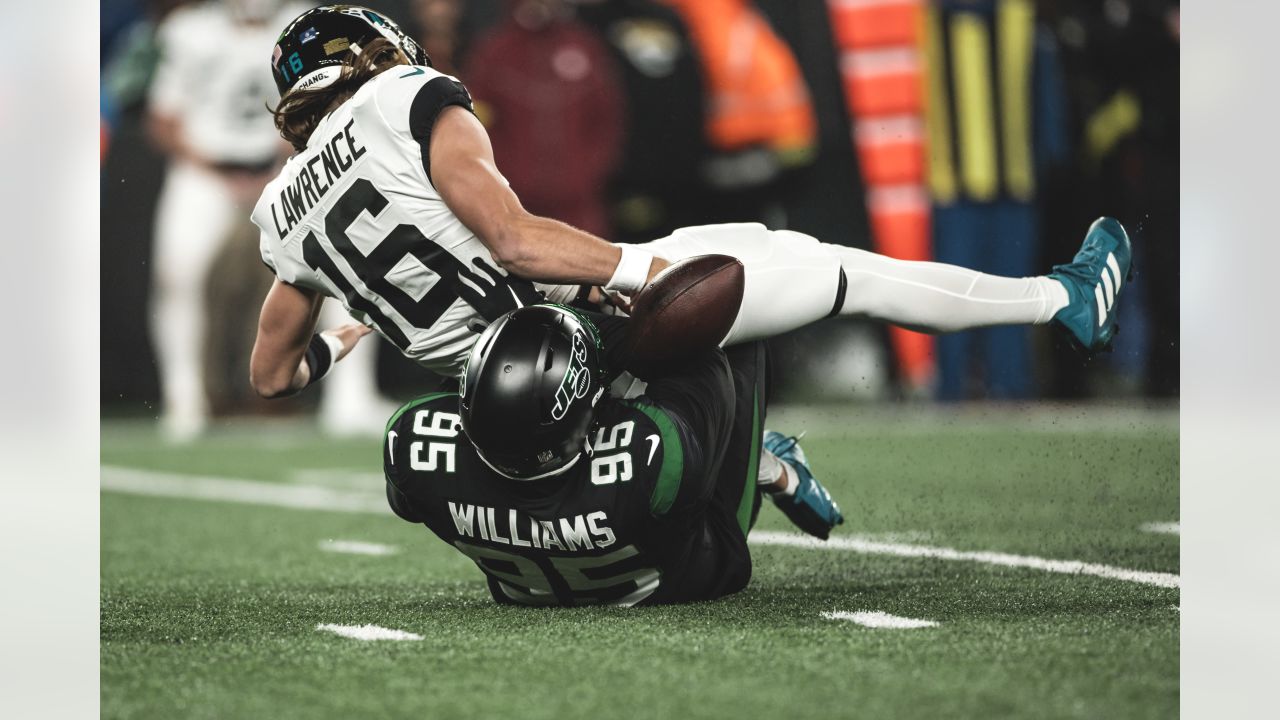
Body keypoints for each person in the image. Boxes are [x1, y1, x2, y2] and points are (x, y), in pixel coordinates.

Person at [248, 5, 1131, 411]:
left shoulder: (284, 208)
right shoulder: (406, 95)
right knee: (842, 272)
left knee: (753, 241)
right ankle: (1060, 300)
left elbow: (270, 376)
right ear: (373, 58)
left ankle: (769, 471)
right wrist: (641, 272)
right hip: (585, 339)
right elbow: (513, 242)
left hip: (510, 408)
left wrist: (349, 333)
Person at [383, 304, 841, 606]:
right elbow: (701, 362)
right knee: (729, 322)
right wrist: (608, 315)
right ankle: (772, 466)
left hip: (535, 582)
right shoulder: (655, 457)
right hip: (688, 570)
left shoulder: (413, 446)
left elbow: (409, 501)